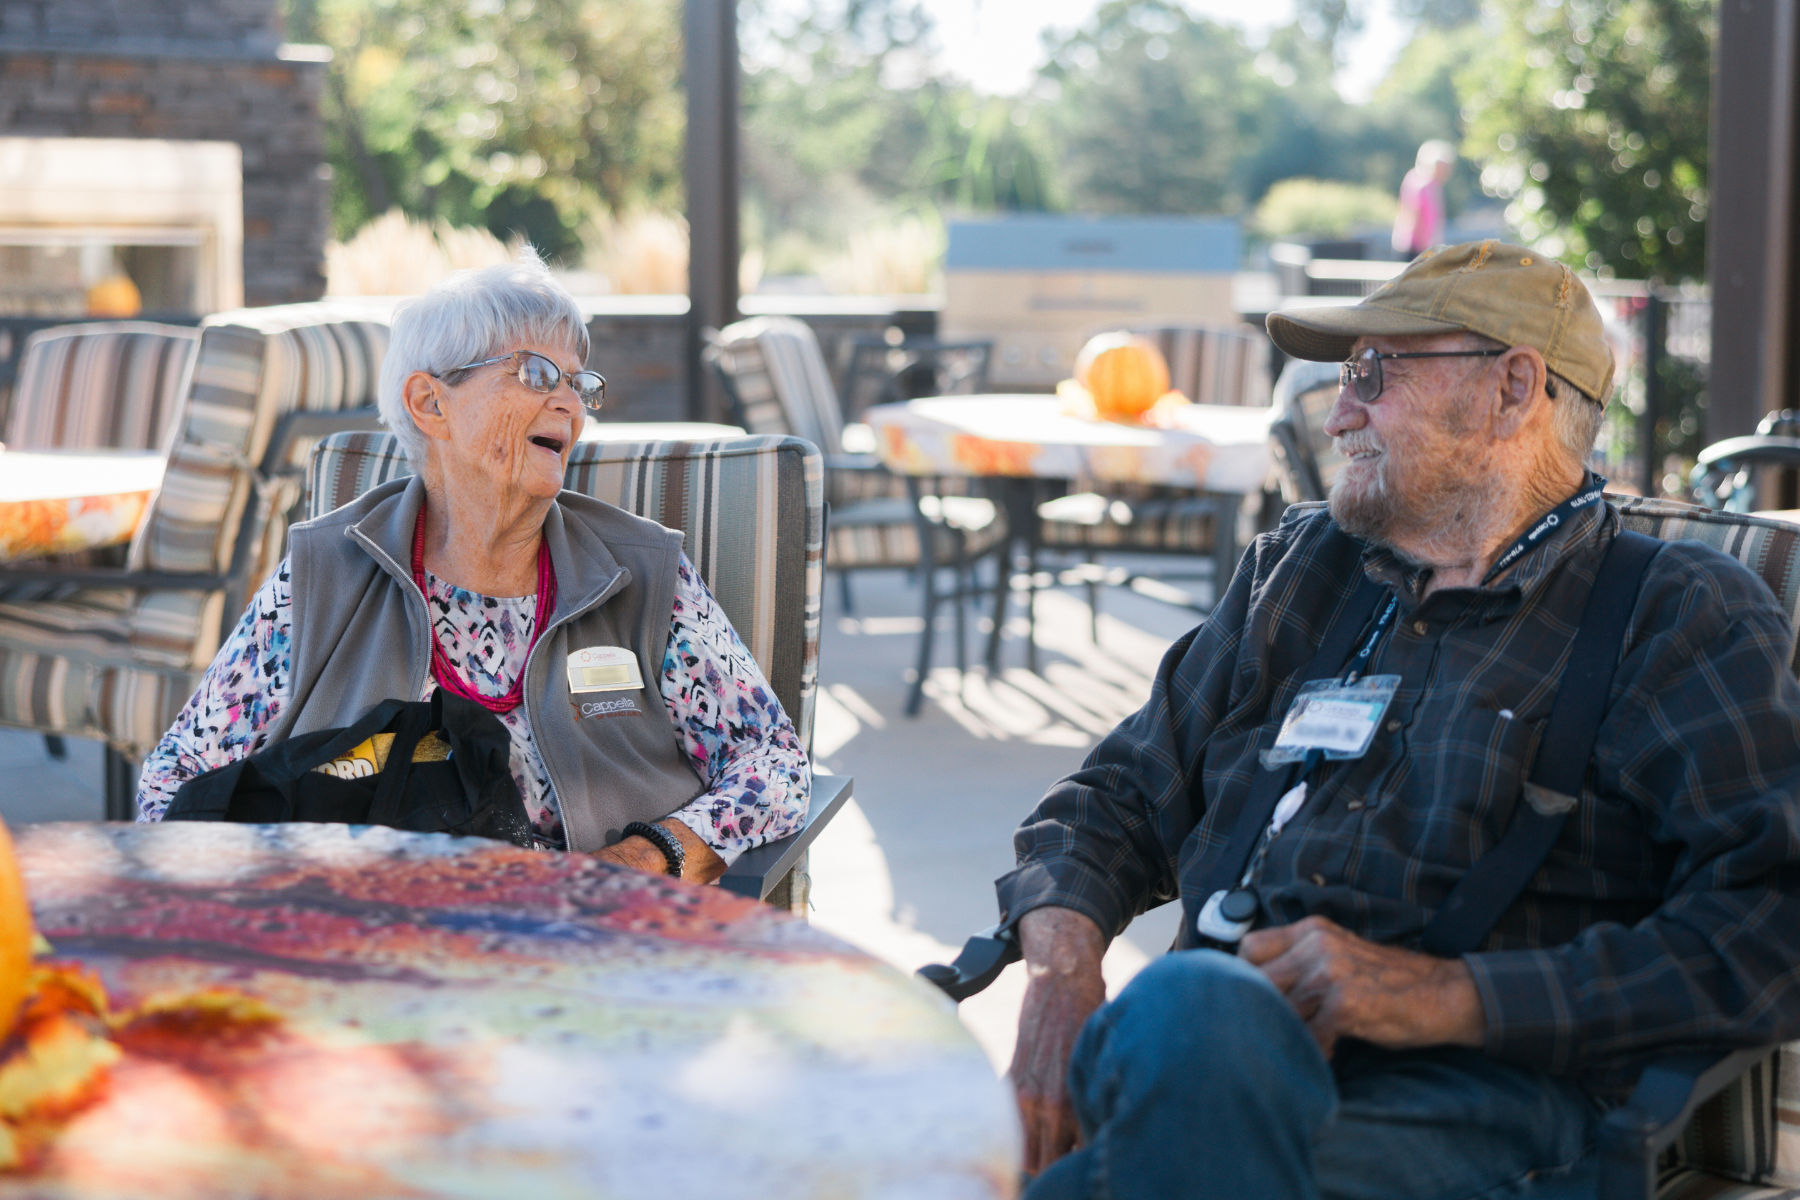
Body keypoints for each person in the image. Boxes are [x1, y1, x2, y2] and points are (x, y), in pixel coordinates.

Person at [1000, 240, 1800, 1198]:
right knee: (1191, 1014)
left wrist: (1447, 998)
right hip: (1205, 1060)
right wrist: (1057, 975)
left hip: (1476, 1101)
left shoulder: (1675, 613)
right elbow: (1118, 797)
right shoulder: (1306, 568)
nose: (1339, 413)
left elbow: (1772, 921)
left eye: (1375, 374)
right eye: (1346, 375)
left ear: (1512, 388)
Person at [137, 252, 810, 882]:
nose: (571, 407)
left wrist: (644, 859)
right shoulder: (323, 573)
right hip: (364, 943)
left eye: (580, 385)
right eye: (538, 375)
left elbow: (774, 765)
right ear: (431, 404)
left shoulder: (644, 574)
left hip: (589, 941)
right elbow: (175, 778)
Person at [1392, 140, 1455, 259]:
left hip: (1418, 246)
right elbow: (1416, 216)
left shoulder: (1432, 184)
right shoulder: (1423, 185)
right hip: (1415, 247)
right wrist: (1426, 249)